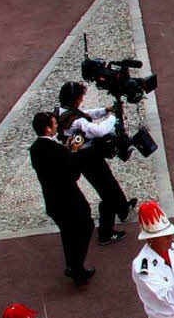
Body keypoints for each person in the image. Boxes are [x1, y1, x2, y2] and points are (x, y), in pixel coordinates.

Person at [56, 81, 137, 246]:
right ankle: (106, 233)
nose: (82, 99)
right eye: (80, 97)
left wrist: (105, 110)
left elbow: (84, 114)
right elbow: (99, 130)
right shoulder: (77, 121)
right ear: (75, 99)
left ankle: (123, 209)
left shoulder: (62, 112)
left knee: (110, 182)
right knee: (107, 191)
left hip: (83, 155)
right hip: (88, 157)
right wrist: (114, 116)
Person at [29, 112, 95, 285]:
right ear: (48, 128)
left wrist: (66, 152)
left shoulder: (35, 149)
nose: (57, 125)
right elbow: (73, 174)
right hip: (69, 199)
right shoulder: (58, 150)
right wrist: (72, 152)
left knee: (67, 234)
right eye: (54, 124)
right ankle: (77, 268)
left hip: (53, 200)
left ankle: (72, 265)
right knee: (86, 226)